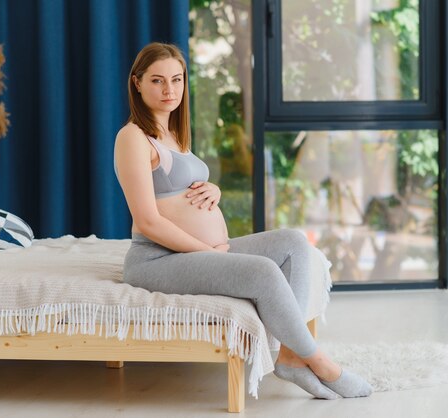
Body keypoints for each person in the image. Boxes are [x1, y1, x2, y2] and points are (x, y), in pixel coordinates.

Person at [113, 42, 372, 400]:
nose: (169, 89)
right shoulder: (132, 137)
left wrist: (213, 190)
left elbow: (179, 188)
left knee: (294, 244)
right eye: (157, 81)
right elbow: (149, 221)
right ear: (137, 83)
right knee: (264, 271)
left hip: (198, 251)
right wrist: (209, 251)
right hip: (156, 260)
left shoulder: (173, 134)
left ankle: (292, 356)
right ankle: (320, 361)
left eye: (176, 79)